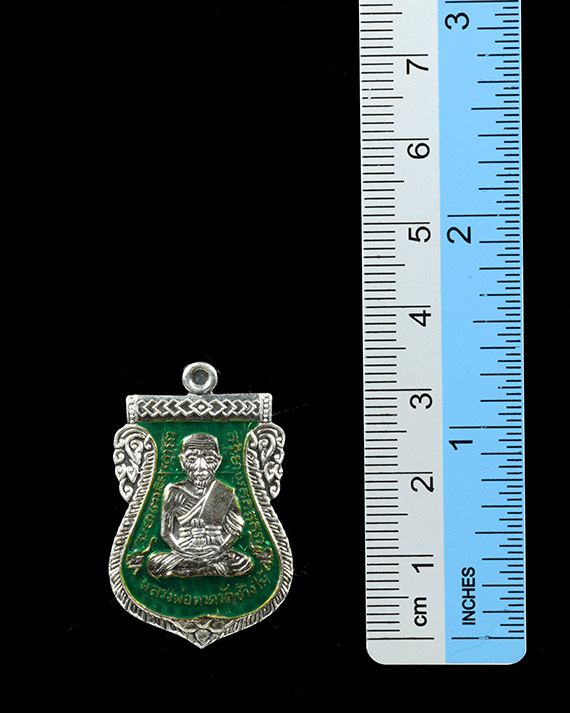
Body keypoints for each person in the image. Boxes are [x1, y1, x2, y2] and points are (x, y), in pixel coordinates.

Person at [146, 433, 253, 578]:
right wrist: (183, 550)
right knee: (154, 564)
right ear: (182, 461)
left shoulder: (225, 492)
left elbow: (234, 532)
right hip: (183, 552)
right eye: (192, 459)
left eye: (209, 460)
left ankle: (192, 571)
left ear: (218, 462)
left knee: (244, 563)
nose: (200, 467)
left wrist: (218, 549)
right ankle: (206, 570)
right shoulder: (173, 492)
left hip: (215, 552)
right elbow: (166, 533)